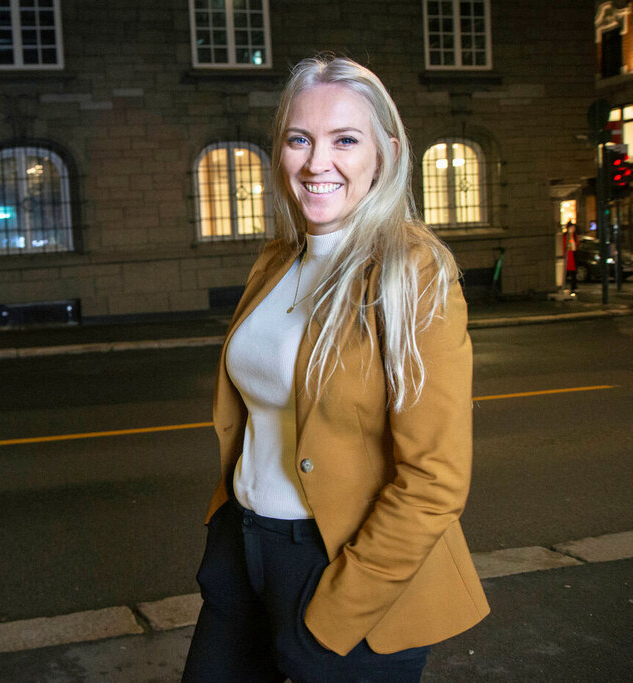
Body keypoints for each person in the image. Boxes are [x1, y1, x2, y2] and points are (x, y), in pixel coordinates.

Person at [182, 56, 489, 682]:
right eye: (300, 139)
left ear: (386, 153)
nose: (316, 162)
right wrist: (228, 536)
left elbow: (435, 480)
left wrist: (333, 616)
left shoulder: (412, 272)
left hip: (346, 573)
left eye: (345, 140)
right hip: (244, 553)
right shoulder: (277, 259)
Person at [564, 220, 579, 292]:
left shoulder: (574, 236)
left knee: (573, 272)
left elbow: (575, 246)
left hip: (573, 255)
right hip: (568, 255)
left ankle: (573, 286)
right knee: (567, 272)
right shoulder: (567, 236)